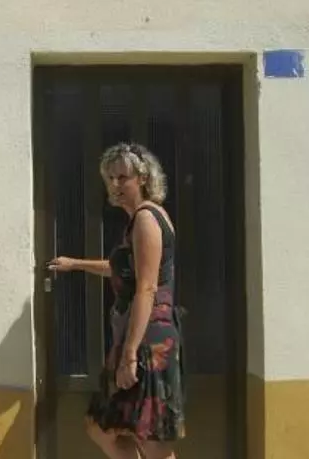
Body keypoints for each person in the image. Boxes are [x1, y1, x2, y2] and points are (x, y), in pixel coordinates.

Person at [48, 142, 185, 459]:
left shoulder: (146, 219)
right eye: (110, 178)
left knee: (150, 438)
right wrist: (75, 264)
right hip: (140, 335)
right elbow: (123, 269)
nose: (115, 185)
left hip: (149, 340)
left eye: (123, 177)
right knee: (108, 426)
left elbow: (146, 288)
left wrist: (130, 354)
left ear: (143, 178)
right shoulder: (140, 219)